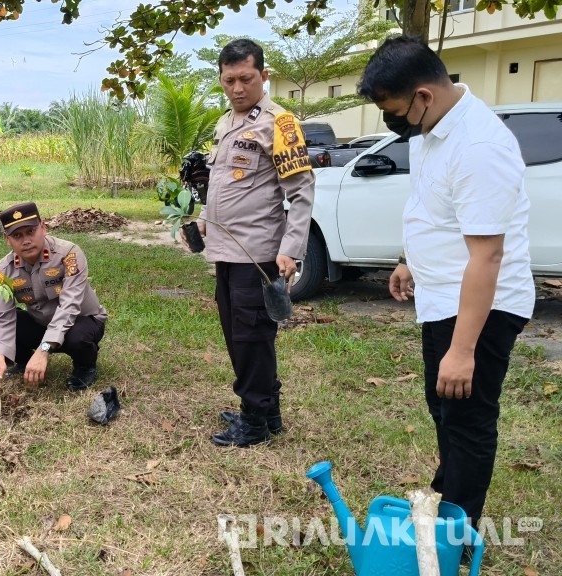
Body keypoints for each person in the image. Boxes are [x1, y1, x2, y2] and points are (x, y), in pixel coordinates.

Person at [358, 36, 535, 530]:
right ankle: (448, 498)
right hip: (440, 298)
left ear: (423, 95)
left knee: (468, 419)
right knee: (443, 408)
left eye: (394, 111)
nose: (393, 122)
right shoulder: (432, 129)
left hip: (481, 307)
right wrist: (409, 260)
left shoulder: (478, 147)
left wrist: (462, 350)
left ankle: (458, 531)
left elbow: (487, 255)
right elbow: (435, 210)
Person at [194, 39, 315, 447]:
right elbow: (221, 182)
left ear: (264, 76)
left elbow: (301, 191)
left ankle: (255, 421)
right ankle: (268, 409)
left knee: (251, 337)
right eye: (229, 80)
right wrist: (204, 220)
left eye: (246, 79)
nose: (237, 88)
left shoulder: (279, 123)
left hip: (257, 252)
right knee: (239, 334)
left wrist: (291, 249)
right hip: (226, 250)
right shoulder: (225, 122)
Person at [0, 202, 107, 392]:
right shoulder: (3, 269)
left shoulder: (69, 254)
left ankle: (85, 366)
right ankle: (24, 361)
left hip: (80, 321)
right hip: (42, 324)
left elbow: (69, 307)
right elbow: (2, 316)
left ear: (43, 228)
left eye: (31, 231)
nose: (26, 240)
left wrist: (44, 349)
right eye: (17, 236)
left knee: (78, 338)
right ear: (7, 239)